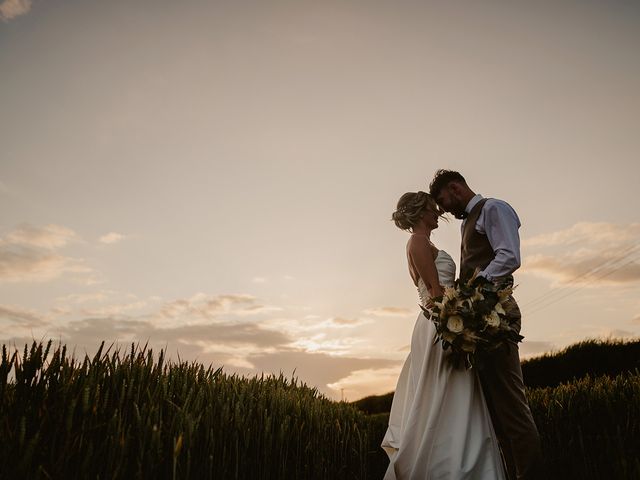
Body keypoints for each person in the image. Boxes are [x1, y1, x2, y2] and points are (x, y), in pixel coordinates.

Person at [381, 191, 506, 480]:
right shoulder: (419, 242)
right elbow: (435, 293)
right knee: (446, 390)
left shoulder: (422, 242)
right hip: (440, 324)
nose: (438, 212)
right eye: (432, 207)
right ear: (422, 211)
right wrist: (458, 324)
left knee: (447, 390)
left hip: (439, 322)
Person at [429, 170, 542, 480]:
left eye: (443, 201)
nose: (444, 210)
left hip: (496, 314)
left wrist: (472, 290)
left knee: (510, 405)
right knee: (494, 410)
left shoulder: (494, 208)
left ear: (455, 188)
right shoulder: (468, 221)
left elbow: (509, 256)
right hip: (477, 320)